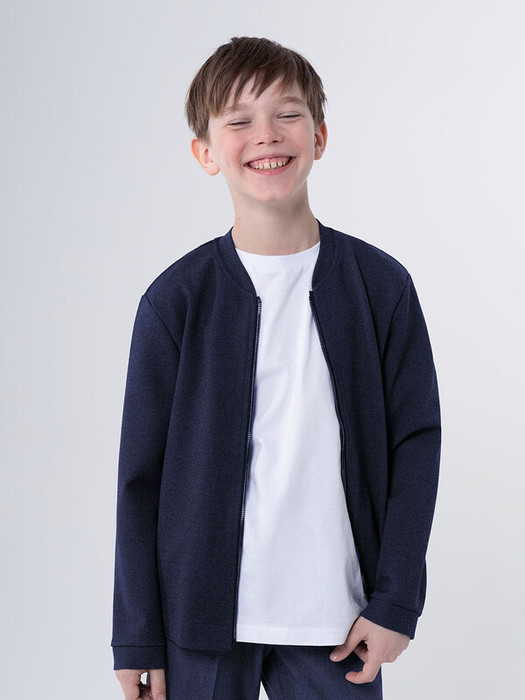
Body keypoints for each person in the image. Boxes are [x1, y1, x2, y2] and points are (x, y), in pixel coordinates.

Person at [111, 36, 441, 700]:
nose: (266, 134)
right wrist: (137, 635)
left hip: (339, 622)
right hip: (199, 624)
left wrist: (395, 601)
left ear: (319, 136)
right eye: (239, 120)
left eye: (287, 113)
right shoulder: (175, 301)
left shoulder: (381, 287)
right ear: (206, 153)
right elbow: (139, 481)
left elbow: (415, 445)